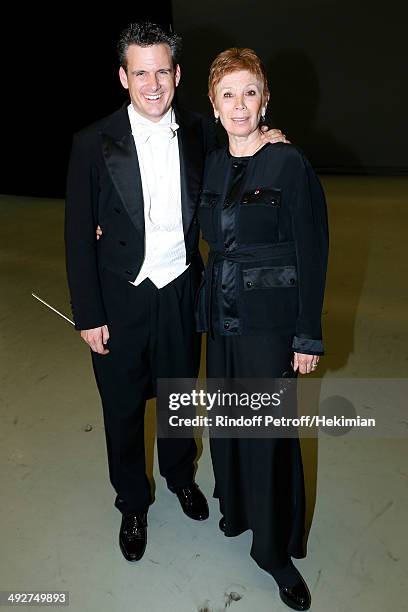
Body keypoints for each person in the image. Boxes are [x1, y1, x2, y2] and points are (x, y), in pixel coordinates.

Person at [65, 22, 286, 563]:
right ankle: (132, 503)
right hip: (119, 297)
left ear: (178, 73)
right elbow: (76, 235)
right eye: (141, 72)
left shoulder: (197, 130)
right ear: (123, 77)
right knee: (121, 408)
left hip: (181, 291)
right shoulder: (91, 143)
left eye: (163, 70)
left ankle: (179, 476)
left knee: (179, 399)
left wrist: (270, 138)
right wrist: (88, 314)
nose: (153, 83)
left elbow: (240, 150)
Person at [196, 48, 329, 611]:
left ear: (266, 98)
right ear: (214, 103)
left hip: (270, 323)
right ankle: (239, 511)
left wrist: (306, 334)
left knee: (269, 434)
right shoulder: (212, 163)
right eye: (229, 93)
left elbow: (312, 249)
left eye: (250, 92)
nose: (240, 104)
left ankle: (274, 552)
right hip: (220, 320)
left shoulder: (289, 162)